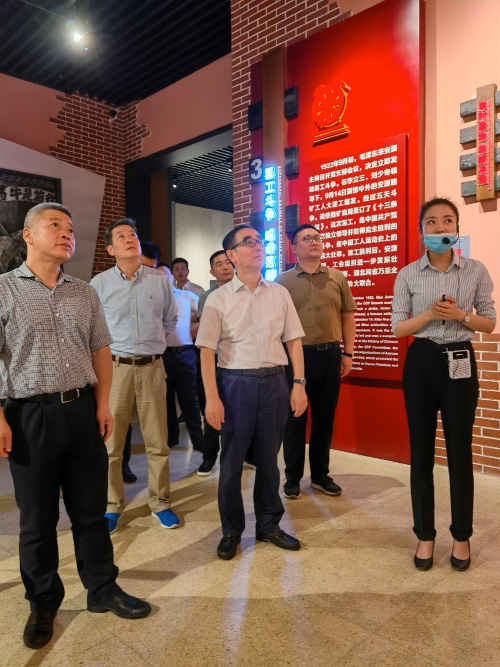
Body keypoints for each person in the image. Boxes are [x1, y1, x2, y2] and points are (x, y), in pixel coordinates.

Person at [0, 203, 151, 651]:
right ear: (28, 235)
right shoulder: (4, 290)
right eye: (56, 226)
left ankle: (102, 588)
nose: (68, 233)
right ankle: (43, 601)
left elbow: (100, 349)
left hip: (82, 410)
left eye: (70, 228)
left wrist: (102, 404)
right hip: (29, 416)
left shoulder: (84, 292)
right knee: (37, 519)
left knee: (90, 511)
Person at [391, 196, 496, 572]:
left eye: (447, 220)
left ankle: (462, 536)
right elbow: (398, 327)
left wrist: (460, 315)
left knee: (459, 453)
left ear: (456, 227)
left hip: (460, 360)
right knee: (420, 453)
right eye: (432, 222)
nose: (440, 227)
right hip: (421, 361)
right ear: (422, 230)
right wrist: (428, 315)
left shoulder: (475, 270)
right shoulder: (407, 274)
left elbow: (489, 323)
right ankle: (425, 535)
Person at [196, 224, 308, 560]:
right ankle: (231, 530)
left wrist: (298, 385)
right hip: (235, 385)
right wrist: (212, 398)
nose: (257, 245)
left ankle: (268, 524)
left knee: (269, 461)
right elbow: (206, 351)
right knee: (232, 462)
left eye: (259, 240)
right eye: (248, 242)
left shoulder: (279, 293)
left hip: (275, 382)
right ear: (231, 255)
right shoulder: (218, 299)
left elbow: (294, 340)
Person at [90, 219, 179, 534]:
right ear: (110, 249)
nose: (129, 239)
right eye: (121, 236)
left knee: (158, 441)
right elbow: (93, 332)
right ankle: (112, 506)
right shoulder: (99, 284)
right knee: (111, 444)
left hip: (152, 368)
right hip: (115, 369)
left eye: (133, 234)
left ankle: (161, 502)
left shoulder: (160, 280)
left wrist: (150, 346)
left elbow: (170, 320)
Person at [276, 224, 356, 499]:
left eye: (317, 237)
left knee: (324, 418)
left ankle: (321, 475)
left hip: (330, 355)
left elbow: (347, 316)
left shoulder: (337, 277)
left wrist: (348, 353)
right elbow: (275, 324)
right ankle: (292, 477)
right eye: (306, 238)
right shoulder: (283, 281)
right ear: (294, 248)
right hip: (295, 357)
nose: (314, 242)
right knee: (294, 419)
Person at [121, 241, 163, 485]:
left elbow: (169, 320)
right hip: (119, 363)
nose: (145, 271)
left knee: (155, 430)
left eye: (151, 267)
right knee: (120, 424)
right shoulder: (106, 284)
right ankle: (123, 465)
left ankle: (160, 494)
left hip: (151, 362)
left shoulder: (159, 283)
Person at [159, 263, 205, 451]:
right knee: (166, 399)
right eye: (158, 275)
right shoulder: (151, 300)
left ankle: (198, 440)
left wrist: (193, 332)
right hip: (162, 356)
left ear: (172, 277)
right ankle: (171, 438)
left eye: (166, 274)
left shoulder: (187, 296)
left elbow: (206, 312)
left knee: (189, 398)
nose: (163, 278)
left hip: (185, 353)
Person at [196, 250, 235, 476]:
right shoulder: (208, 296)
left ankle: (247, 453)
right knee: (211, 409)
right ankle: (209, 457)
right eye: (219, 264)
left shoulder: (245, 291)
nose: (225, 266)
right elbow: (206, 330)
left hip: (239, 362)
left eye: (228, 262)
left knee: (241, 411)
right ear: (212, 272)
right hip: (215, 361)